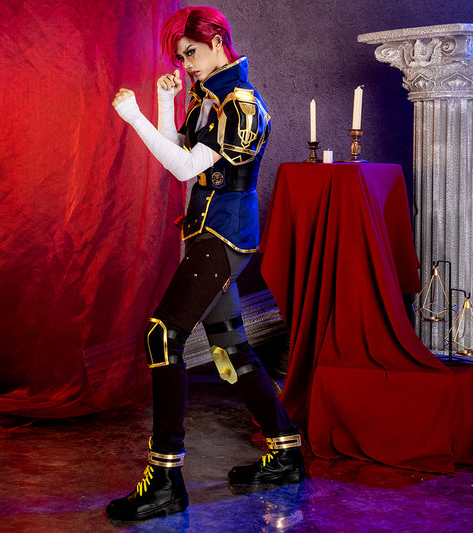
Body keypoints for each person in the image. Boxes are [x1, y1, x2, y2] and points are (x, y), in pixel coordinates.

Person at [106, 6, 304, 522]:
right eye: (180, 56)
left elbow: (185, 169)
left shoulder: (241, 104)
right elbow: (180, 154)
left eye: (190, 52)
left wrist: (135, 118)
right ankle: (285, 451)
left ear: (217, 42)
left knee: (162, 336)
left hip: (224, 236)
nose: (186, 63)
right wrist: (164, 101)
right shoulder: (207, 97)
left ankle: (165, 480)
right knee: (231, 348)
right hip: (207, 234)